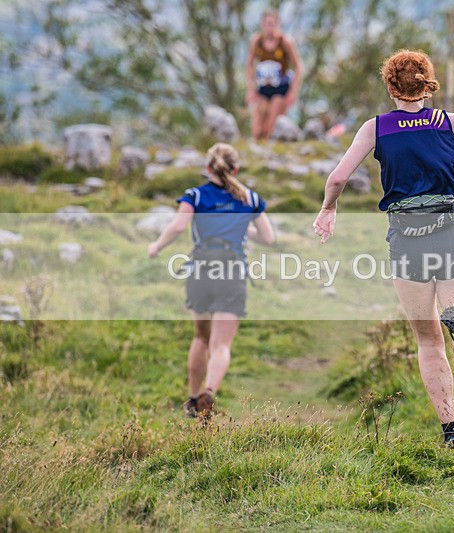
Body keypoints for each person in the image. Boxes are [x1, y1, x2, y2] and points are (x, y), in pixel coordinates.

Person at [313, 49, 454, 449]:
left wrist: (328, 209)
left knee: (427, 342)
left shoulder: (375, 129)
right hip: (449, 232)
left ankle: (451, 431)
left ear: (390, 86)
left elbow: (337, 177)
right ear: (428, 83)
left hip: (407, 239)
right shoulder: (449, 123)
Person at [148, 143, 276, 419]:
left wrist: (157, 246)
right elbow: (269, 238)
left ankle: (193, 400)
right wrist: (246, 231)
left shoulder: (194, 195)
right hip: (232, 272)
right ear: (235, 169)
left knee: (201, 338)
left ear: (208, 169)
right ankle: (208, 393)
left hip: (200, 271)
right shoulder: (250, 199)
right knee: (221, 345)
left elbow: (179, 226)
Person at [245, 10, 304, 141]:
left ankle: (268, 152)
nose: (269, 27)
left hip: (281, 90)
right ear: (262, 24)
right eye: (266, 24)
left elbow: (298, 67)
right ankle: (257, 150)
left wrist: (293, 92)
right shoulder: (257, 41)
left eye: (272, 24)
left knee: (269, 128)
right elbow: (249, 64)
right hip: (263, 88)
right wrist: (250, 89)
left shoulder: (285, 42)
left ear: (277, 24)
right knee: (257, 130)